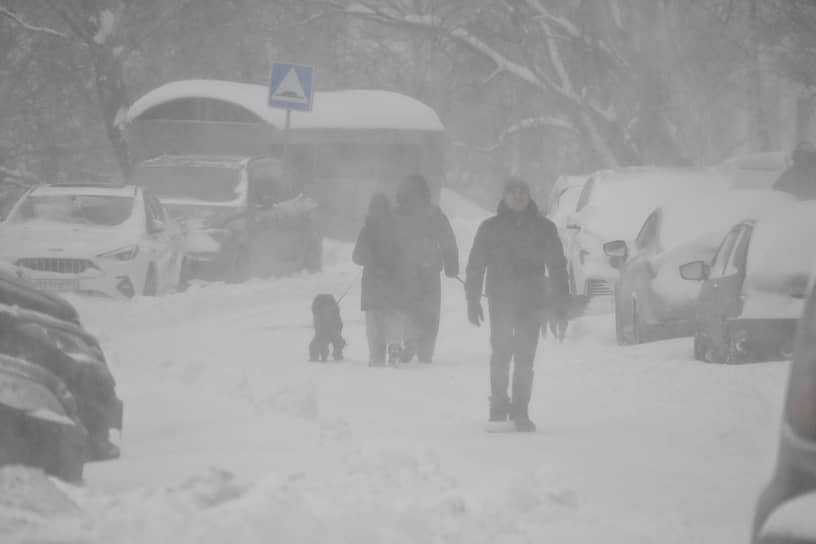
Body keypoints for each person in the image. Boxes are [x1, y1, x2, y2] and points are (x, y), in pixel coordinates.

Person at [465, 177, 569, 431]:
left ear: (529, 196)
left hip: (532, 301)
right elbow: (476, 265)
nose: (518, 196)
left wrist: (561, 300)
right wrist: (472, 299)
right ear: (504, 196)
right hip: (500, 301)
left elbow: (557, 266)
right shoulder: (490, 228)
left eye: (523, 192)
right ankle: (499, 406)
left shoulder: (544, 228)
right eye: (513, 192)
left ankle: (521, 410)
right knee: (501, 354)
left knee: (525, 357)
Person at [393, 174, 459, 363]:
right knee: (430, 310)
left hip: (403, 270)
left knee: (406, 308)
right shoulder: (432, 212)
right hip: (429, 269)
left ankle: (410, 341)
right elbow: (447, 239)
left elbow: (385, 240)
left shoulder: (395, 213)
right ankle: (426, 350)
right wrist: (451, 264)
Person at [352, 193, 404, 366]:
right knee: (393, 315)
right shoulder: (396, 229)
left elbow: (356, 256)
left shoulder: (366, 231)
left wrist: (369, 260)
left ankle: (376, 354)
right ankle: (395, 346)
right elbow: (403, 254)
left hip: (372, 281)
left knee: (374, 319)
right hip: (394, 279)